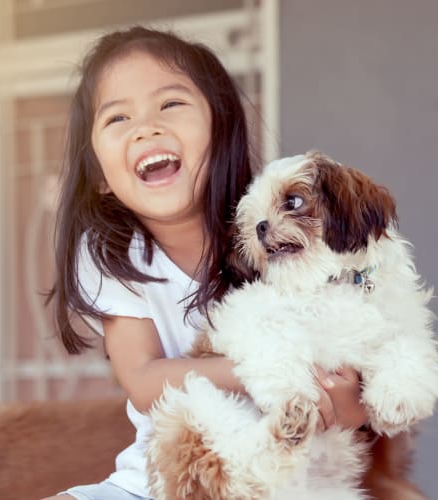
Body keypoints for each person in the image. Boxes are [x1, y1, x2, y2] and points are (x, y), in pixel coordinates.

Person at [43, 26, 367, 500]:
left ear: (221, 131)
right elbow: (144, 380)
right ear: (99, 178)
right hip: (163, 481)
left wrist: (337, 397)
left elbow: (355, 403)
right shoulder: (110, 251)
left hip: (281, 480)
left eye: (170, 104)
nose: (146, 127)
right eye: (118, 118)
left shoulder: (276, 231)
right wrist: (263, 371)